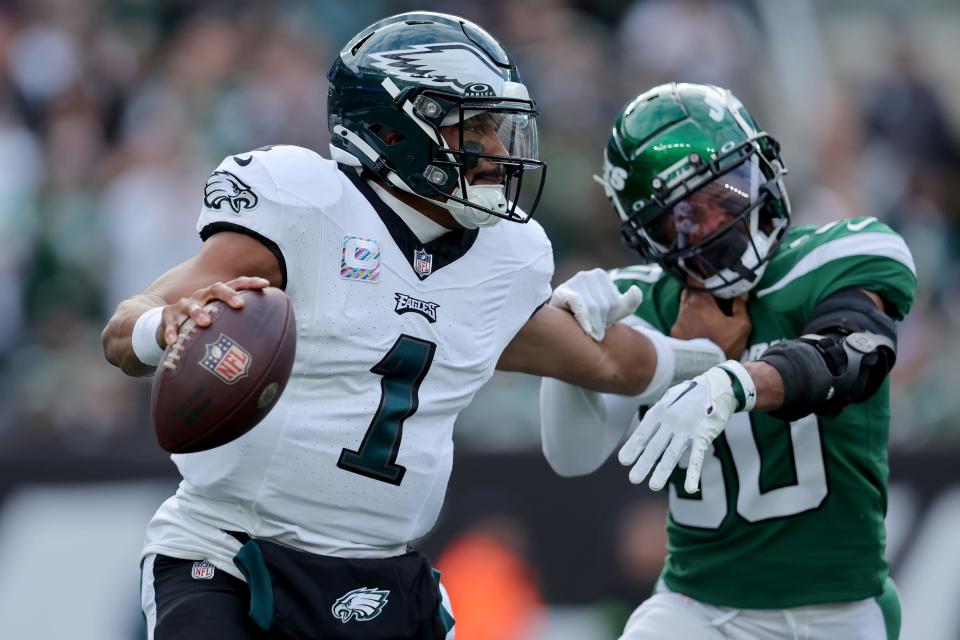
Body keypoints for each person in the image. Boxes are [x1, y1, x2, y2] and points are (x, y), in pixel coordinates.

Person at [101, 16, 748, 640]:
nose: (499, 152)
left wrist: (710, 356)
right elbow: (123, 331)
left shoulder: (505, 261)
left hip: (386, 576)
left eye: (503, 129)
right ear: (392, 130)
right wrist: (164, 329)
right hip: (234, 559)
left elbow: (610, 363)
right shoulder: (306, 207)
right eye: (479, 129)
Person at [541, 82, 916, 639]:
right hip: (698, 609)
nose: (719, 221)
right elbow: (571, 458)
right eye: (686, 216)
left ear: (763, 168)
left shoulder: (839, 255)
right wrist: (568, 349)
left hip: (842, 609)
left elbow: (852, 356)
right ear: (649, 236)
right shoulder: (638, 303)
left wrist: (734, 382)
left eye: (730, 191)